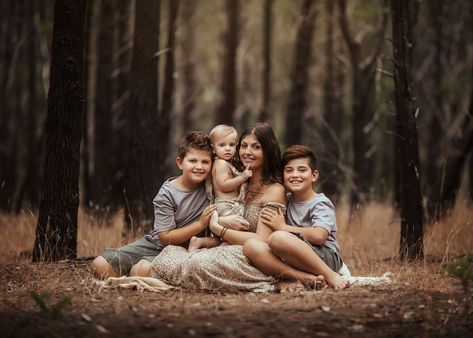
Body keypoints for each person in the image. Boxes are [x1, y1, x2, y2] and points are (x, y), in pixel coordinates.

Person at [149, 123, 324, 291]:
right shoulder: (238, 179)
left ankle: (279, 280)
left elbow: (262, 240)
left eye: (256, 147)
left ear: (267, 151)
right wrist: (221, 221)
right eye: (244, 146)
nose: (247, 152)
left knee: (196, 263)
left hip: (252, 254)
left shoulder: (274, 189)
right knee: (168, 255)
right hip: (225, 247)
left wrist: (219, 229)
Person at [91, 131, 217, 278]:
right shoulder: (167, 194)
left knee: (141, 270)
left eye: (205, 162)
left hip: (187, 248)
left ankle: (141, 271)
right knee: (99, 265)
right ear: (180, 163)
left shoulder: (211, 185)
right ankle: (134, 273)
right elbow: (165, 237)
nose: (199, 167)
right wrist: (200, 225)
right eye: (193, 161)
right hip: (157, 245)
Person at [243, 145, 350, 289]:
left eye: (302, 170)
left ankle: (331, 276)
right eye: (289, 170)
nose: (295, 175)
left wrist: (284, 227)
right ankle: (305, 278)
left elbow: (319, 236)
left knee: (278, 237)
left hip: (324, 257)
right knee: (251, 246)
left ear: (314, 175)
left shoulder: (320, 202)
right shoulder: (284, 199)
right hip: (290, 256)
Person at [188, 125, 252, 252]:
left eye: (232, 145)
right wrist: (243, 177)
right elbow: (224, 185)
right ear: (213, 148)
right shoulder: (221, 163)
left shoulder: (226, 163)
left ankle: (199, 242)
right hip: (227, 206)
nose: (227, 149)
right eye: (222, 145)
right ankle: (221, 253)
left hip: (228, 205)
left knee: (225, 238)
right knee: (233, 236)